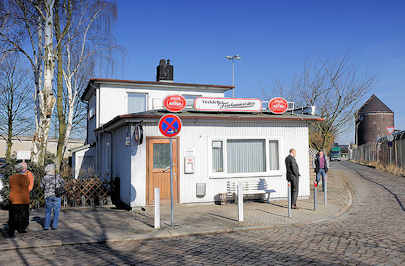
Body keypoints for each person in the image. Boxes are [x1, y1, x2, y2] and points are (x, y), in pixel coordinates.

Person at [8, 163, 30, 237]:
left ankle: (11, 230)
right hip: (23, 199)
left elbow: (10, 186)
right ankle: (21, 228)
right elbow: (28, 185)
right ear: (22, 169)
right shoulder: (25, 178)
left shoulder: (11, 177)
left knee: (12, 215)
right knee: (23, 215)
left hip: (13, 199)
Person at [40, 164, 64, 230]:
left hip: (48, 195)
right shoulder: (58, 176)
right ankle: (54, 226)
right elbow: (63, 183)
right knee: (56, 211)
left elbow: (41, 186)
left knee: (48, 211)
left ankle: (46, 226)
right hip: (57, 195)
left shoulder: (44, 177)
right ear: (53, 169)